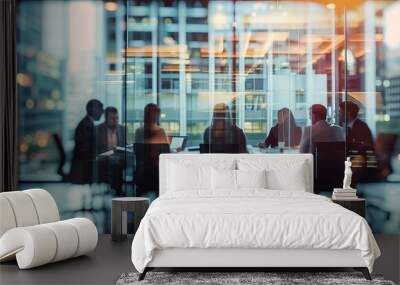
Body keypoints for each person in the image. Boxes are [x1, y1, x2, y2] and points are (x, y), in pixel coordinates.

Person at [134, 103, 170, 200]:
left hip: (142, 173)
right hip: (155, 172)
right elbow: (166, 153)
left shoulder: (138, 131)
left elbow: (138, 152)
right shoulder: (160, 131)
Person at [69, 99, 103, 184]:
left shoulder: (87, 123)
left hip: (82, 165)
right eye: (100, 110)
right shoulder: (86, 126)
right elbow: (88, 152)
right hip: (83, 168)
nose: (102, 113)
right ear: (93, 110)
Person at [95, 107, 125, 195]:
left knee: (119, 164)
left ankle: (117, 191)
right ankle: (117, 192)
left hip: (119, 159)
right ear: (106, 119)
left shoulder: (122, 129)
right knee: (114, 166)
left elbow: (125, 147)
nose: (115, 120)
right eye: (112, 118)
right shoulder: (98, 129)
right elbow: (96, 149)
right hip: (102, 160)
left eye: (117, 118)